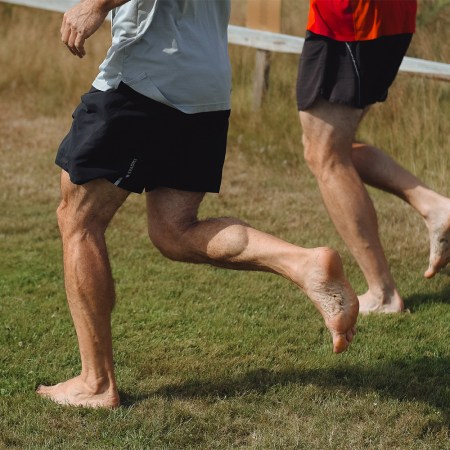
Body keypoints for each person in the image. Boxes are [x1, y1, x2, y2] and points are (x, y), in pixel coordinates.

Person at [36, 0, 358, 409]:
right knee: (175, 230)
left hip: (146, 76)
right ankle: (303, 264)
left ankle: (95, 381)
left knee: (79, 220)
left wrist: (95, 6)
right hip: (206, 86)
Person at [297, 0, 450, 314]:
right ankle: (435, 207)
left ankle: (383, 295)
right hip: (387, 18)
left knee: (326, 156)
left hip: (348, 20)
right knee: (331, 151)